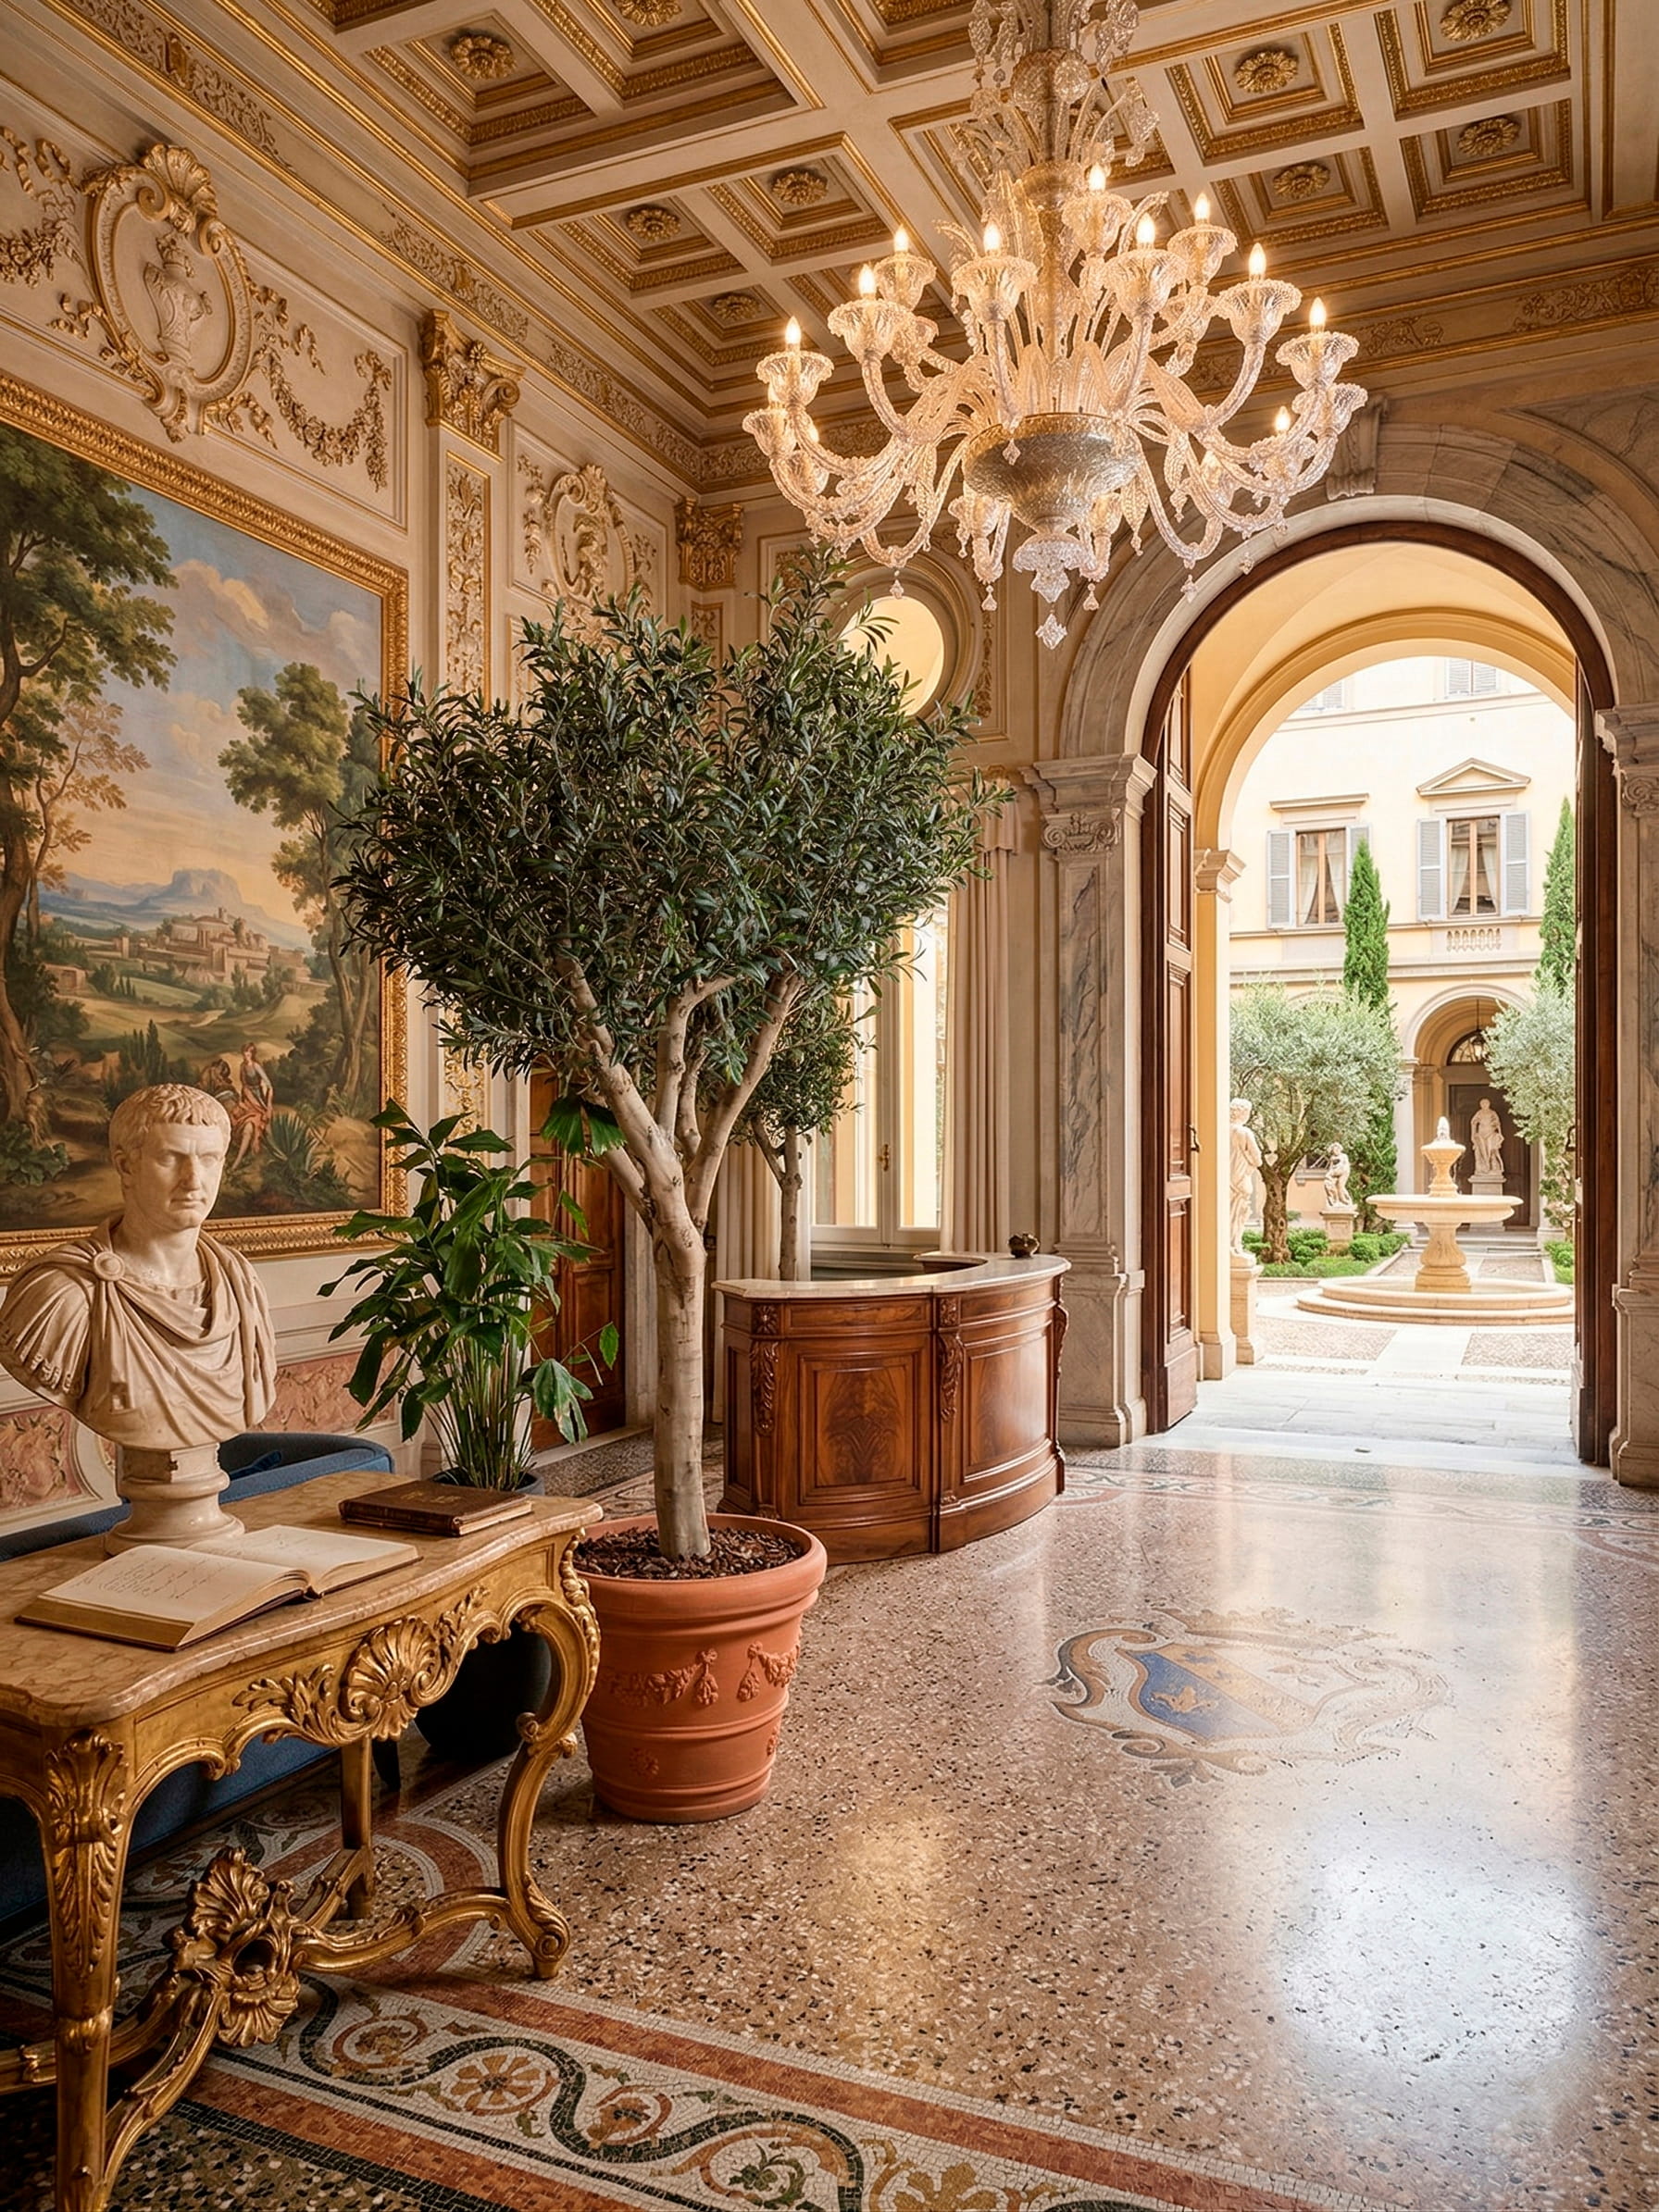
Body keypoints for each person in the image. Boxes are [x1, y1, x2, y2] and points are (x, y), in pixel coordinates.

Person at [0, 1083, 275, 1452]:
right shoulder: (64, 1296)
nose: (193, 1180)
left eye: (209, 1159)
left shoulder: (240, 1283)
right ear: (126, 1166)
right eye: (171, 1158)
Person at [230, 1040, 276, 1167]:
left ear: (252, 1053)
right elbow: (244, 1086)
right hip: (247, 1099)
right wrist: (241, 1100)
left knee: (252, 1124)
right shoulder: (242, 1067)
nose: (246, 1054)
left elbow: (269, 1086)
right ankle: (237, 1151)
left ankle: (239, 1160)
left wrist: (269, 1105)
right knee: (235, 1115)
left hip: (259, 1100)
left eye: (249, 1052)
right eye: (245, 1051)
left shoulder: (256, 1066)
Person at [1229, 1099, 1262, 1257]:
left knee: (1227, 1213)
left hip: (1226, 1180)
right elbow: (1258, 1159)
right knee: (1240, 1214)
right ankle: (1235, 1245)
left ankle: (1228, 1246)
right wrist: (1248, 1158)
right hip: (1241, 1179)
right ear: (1243, 1113)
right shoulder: (1244, 1132)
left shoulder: (1222, 1130)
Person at [1471, 1097, 1504, 1179]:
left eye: (1486, 1103)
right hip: (1481, 1134)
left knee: (1490, 1150)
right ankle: (1484, 1167)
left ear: (1489, 1104)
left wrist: (1500, 1134)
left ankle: (1490, 1167)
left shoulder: (1492, 1113)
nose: (1484, 1105)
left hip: (1490, 1133)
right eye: (1482, 1104)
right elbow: (1473, 1122)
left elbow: (1497, 1123)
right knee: (1482, 1150)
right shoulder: (1479, 1113)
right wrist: (1473, 1134)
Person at [1324, 1142, 1352, 1210]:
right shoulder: (1332, 1158)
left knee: (1340, 1185)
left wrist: (1340, 1171)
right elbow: (1330, 1167)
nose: (1335, 1151)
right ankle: (1336, 1200)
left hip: (1343, 1172)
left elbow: (1346, 1166)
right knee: (1331, 1185)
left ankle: (1345, 1200)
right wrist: (1330, 1174)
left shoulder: (1344, 1156)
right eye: (1334, 1150)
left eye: (1337, 1149)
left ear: (1340, 1149)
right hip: (1334, 1173)